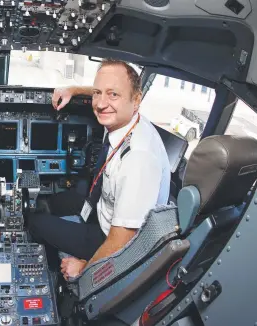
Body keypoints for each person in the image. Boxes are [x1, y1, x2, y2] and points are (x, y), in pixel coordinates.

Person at [27, 59, 171, 281]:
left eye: (113, 95)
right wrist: (74, 90)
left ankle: (53, 275)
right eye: (97, 93)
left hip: (107, 236)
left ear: (136, 100)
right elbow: (106, 94)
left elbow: (122, 240)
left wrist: (84, 268)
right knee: (51, 202)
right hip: (102, 207)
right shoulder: (125, 120)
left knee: (35, 221)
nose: (101, 104)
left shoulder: (139, 160)